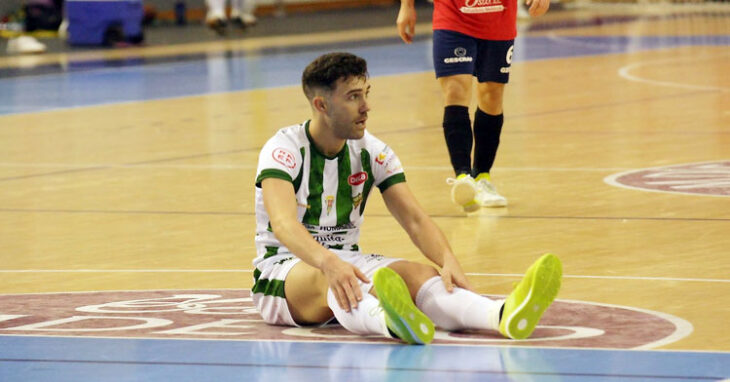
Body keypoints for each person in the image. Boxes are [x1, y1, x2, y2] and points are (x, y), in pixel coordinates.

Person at [252, 52, 562, 344]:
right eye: (353, 97)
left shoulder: (373, 150)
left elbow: (414, 219)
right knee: (331, 277)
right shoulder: (284, 149)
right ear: (321, 105)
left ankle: (501, 315)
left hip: (346, 261)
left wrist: (447, 260)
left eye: (366, 93)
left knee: (422, 275)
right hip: (283, 271)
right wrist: (329, 262)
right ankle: (389, 323)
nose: (366, 107)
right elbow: (282, 224)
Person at [395, 0, 550, 212]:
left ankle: (482, 176)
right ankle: (463, 177)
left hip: (498, 17)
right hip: (453, 17)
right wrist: (407, 6)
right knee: (455, 90)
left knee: (492, 95)